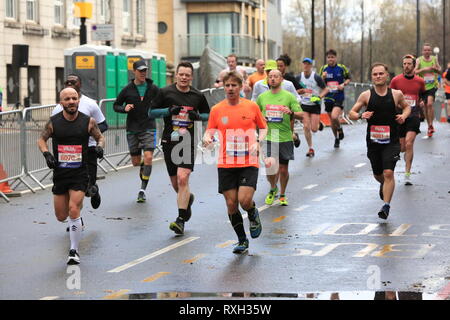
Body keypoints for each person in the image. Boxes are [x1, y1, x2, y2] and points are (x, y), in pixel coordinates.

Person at [37, 88, 105, 265]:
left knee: (74, 208)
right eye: (67, 99)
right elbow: (41, 140)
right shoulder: (54, 122)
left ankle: (74, 251)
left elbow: (100, 137)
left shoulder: (88, 121)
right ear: (61, 103)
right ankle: (77, 221)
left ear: (78, 101)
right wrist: (47, 154)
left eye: (74, 98)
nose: (71, 101)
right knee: (61, 216)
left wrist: (99, 147)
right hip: (61, 173)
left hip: (80, 173)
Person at [203, 71, 267, 254]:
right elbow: (210, 131)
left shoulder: (251, 107)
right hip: (226, 162)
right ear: (224, 87)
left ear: (240, 87)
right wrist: (207, 138)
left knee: (244, 201)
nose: (230, 89)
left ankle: (253, 213)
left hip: (248, 160)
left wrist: (258, 141)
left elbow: (263, 128)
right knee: (231, 204)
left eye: (234, 85)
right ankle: (242, 240)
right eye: (227, 85)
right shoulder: (216, 109)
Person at [150, 61, 210, 235]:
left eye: (187, 75)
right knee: (177, 184)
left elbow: (208, 114)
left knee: (183, 178)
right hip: (170, 141)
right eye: (181, 74)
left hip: (187, 141)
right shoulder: (165, 92)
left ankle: (180, 220)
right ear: (176, 75)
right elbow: (151, 112)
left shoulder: (197, 95)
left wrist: (197, 116)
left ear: (191, 77)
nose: (184, 77)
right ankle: (187, 199)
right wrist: (168, 111)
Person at [349, 63, 410, 220]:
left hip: (392, 141)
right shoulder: (366, 96)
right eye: (375, 74)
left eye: (381, 73)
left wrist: (403, 116)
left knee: (388, 172)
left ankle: (386, 206)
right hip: (374, 142)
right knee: (378, 174)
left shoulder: (396, 94)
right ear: (372, 77)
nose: (378, 76)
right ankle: (383, 184)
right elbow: (351, 113)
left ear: (387, 75)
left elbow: (407, 107)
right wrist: (360, 116)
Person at [52, 74, 108, 209]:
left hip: (88, 149)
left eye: (74, 81)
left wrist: (86, 131)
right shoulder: (59, 107)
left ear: (80, 85)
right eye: (67, 82)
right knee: (74, 188)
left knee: (88, 187)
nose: (70, 83)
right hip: (69, 152)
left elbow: (104, 125)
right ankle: (75, 217)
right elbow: (53, 129)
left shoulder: (90, 104)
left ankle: (93, 190)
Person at [113, 60, 160, 203]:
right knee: (135, 162)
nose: (143, 73)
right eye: (140, 71)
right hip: (132, 128)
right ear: (134, 72)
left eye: (145, 70)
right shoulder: (127, 89)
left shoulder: (153, 88)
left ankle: (142, 190)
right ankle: (142, 167)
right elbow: (116, 105)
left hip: (148, 126)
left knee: (149, 157)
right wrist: (124, 109)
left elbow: (162, 102)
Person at [256, 69, 303, 206]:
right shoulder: (262, 97)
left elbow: (301, 114)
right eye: (270, 77)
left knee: (283, 169)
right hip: (269, 135)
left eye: (276, 76)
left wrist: (291, 112)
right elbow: (255, 113)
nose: (273, 79)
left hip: (284, 136)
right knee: (270, 166)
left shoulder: (289, 96)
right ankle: (273, 188)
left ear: (281, 79)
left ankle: (282, 194)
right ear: (267, 80)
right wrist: (261, 118)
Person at [390, 55, 425, 186]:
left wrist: (421, 101)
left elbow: (423, 94)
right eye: (404, 64)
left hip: (414, 116)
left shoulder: (419, 81)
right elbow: (390, 96)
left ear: (414, 65)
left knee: (409, 144)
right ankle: (405, 158)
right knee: (402, 147)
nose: (406, 66)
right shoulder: (395, 80)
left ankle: (407, 174)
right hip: (399, 116)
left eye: (409, 64)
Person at [251, 60, 302, 148]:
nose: (269, 73)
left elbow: (297, 98)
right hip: (267, 119)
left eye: (271, 70)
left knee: (285, 136)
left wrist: (289, 107)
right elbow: (254, 101)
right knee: (271, 146)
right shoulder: (258, 85)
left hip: (284, 117)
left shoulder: (288, 84)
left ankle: (294, 137)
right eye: (267, 71)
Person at [319, 49, 351, 148]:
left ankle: (340, 128)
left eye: (332, 57)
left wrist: (343, 84)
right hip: (328, 97)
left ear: (336, 58)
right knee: (332, 121)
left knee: (334, 116)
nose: (330, 59)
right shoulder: (323, 68)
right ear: (326, 58)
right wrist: (323, 78)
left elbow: (349, 78)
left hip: (338, 96)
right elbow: (319, 83)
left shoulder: (341, 68)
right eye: (328, 57)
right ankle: (336, 138)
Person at [297, 57, 329, 157]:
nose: (306, 66)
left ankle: (319, 123)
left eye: (308, 64)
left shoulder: (316, 77)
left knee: (314, 129)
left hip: (315, 105)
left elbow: (326, 89)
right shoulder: (298, 77)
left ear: (311, 66)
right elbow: (294, 91)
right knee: (306, 127)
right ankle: (310, 148)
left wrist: (319, 97)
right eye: (304, 64)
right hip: (304, 105)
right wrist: (299, 92)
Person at [414, 43, 442, 137]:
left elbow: (439, 70)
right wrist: (423, 70)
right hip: (422, 86)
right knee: (425, 107)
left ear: (430, 51)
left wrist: (435, 69)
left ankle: (431, 125)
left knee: (430, 104)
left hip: (432, 86)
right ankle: (429, 125)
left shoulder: (434, 59)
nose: (427, 52)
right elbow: (415, 71)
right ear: (423, 51)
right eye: (425, 50)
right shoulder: (419, 60)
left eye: (428, 50)